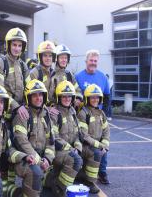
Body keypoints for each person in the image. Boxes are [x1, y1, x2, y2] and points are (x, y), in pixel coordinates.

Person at [11, 79, 55, 197]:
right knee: (35, 172)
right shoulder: (22, 115)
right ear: (28, 97)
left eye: (40, 95)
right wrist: (39, 160)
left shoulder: (45, 115)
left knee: (56, 178)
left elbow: (51, 141)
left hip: (41, 158)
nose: (38, 98)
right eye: (34, 95)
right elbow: (21, 142)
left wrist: (48, 158)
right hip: (24, 158)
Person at [75, 49, 110, 184]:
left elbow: (107, 97)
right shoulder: (78, 76)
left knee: (102, 145)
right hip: (83, 117)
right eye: (91, 60)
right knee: (85, 145)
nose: (93, 63)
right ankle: (83, 171)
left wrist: (105, 114)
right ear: (86, 61)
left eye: (95, 61)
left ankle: (102, 172)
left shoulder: (103, 77)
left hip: (98, 116)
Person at [45, 80, 83, 197]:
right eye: (64, 96)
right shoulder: (54, 113)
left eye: (69, 96)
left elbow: (77, 133)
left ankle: (53, 181)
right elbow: (55, 138)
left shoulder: (72, 111)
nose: (67, 99)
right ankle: (59, 189)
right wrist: (71, 149)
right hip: (57, 150)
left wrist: (77, 146)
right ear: (59, 97)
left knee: (78, 158)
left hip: (69, 150)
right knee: (76, 160)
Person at [77, 84, 110, 194]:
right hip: (85, 145)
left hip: (96, 144)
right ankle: (89, 182)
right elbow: (84, 136)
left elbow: (106, 131)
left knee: (100, 152)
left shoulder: (101, 114)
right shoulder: (83, 113)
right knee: (96, 152)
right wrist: (100, 145)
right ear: (87, 98)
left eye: (97, 97)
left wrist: (105, 144)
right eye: (92, 97)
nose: (95, 100)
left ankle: (86, 174)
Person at [0, 27, 30, 120]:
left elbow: (29, 88)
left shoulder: (23, 66)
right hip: (4, 114)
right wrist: (16, 106)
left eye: (19, 45)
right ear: (8, 45)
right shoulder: (0, 63)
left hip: (20, 111)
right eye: (14, 45)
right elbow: (0, 91)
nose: (17, 48)